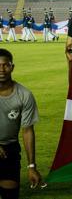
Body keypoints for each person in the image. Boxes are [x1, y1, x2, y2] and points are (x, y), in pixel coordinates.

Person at [0, 49, 43, 198]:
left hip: (9, 151)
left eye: (6, 65)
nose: (1, 70)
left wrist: (31, 166)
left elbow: (27, 131)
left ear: (12, 67)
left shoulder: (24, 95)